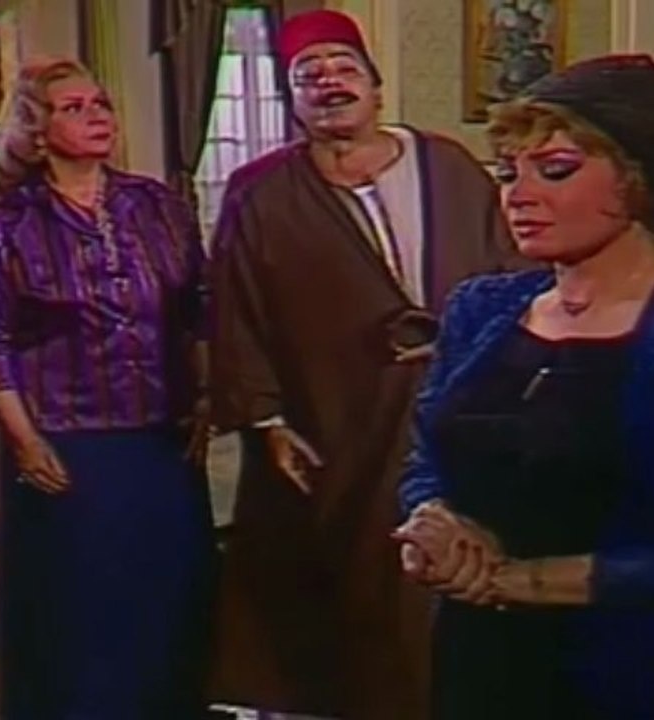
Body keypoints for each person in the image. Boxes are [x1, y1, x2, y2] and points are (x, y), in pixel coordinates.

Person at [393, 54, 654, 719]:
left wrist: (522, 581)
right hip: (478, 659)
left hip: (638, 674)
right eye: (509, 173)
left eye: (554, 170)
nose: (518, 195)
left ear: (638, 182)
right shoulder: (480, 307)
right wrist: (431, 519)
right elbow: (426, 460)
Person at [205, 10, 522, 719]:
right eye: (307, 75)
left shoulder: (447, 166)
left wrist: (477, 346)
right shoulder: (259, 191)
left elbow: (511, 272)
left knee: (455, 559)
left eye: (343, 68)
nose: (329, 83)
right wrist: (266, 419)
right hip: (332, 413)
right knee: (348, 571)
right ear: (292, 101)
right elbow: (235, 306)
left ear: (375, 85)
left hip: (457, 401)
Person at [0, 57, 215, 720]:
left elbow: (200, 306)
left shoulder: (156, 205)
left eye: (101, 103)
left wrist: (207, 394)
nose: (97, 115)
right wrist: (23, 439)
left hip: (162, 439)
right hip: (65, 442)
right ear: (37, 132)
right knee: (80, 607)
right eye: (74, 107)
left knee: (167, 594)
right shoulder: (7, 222)